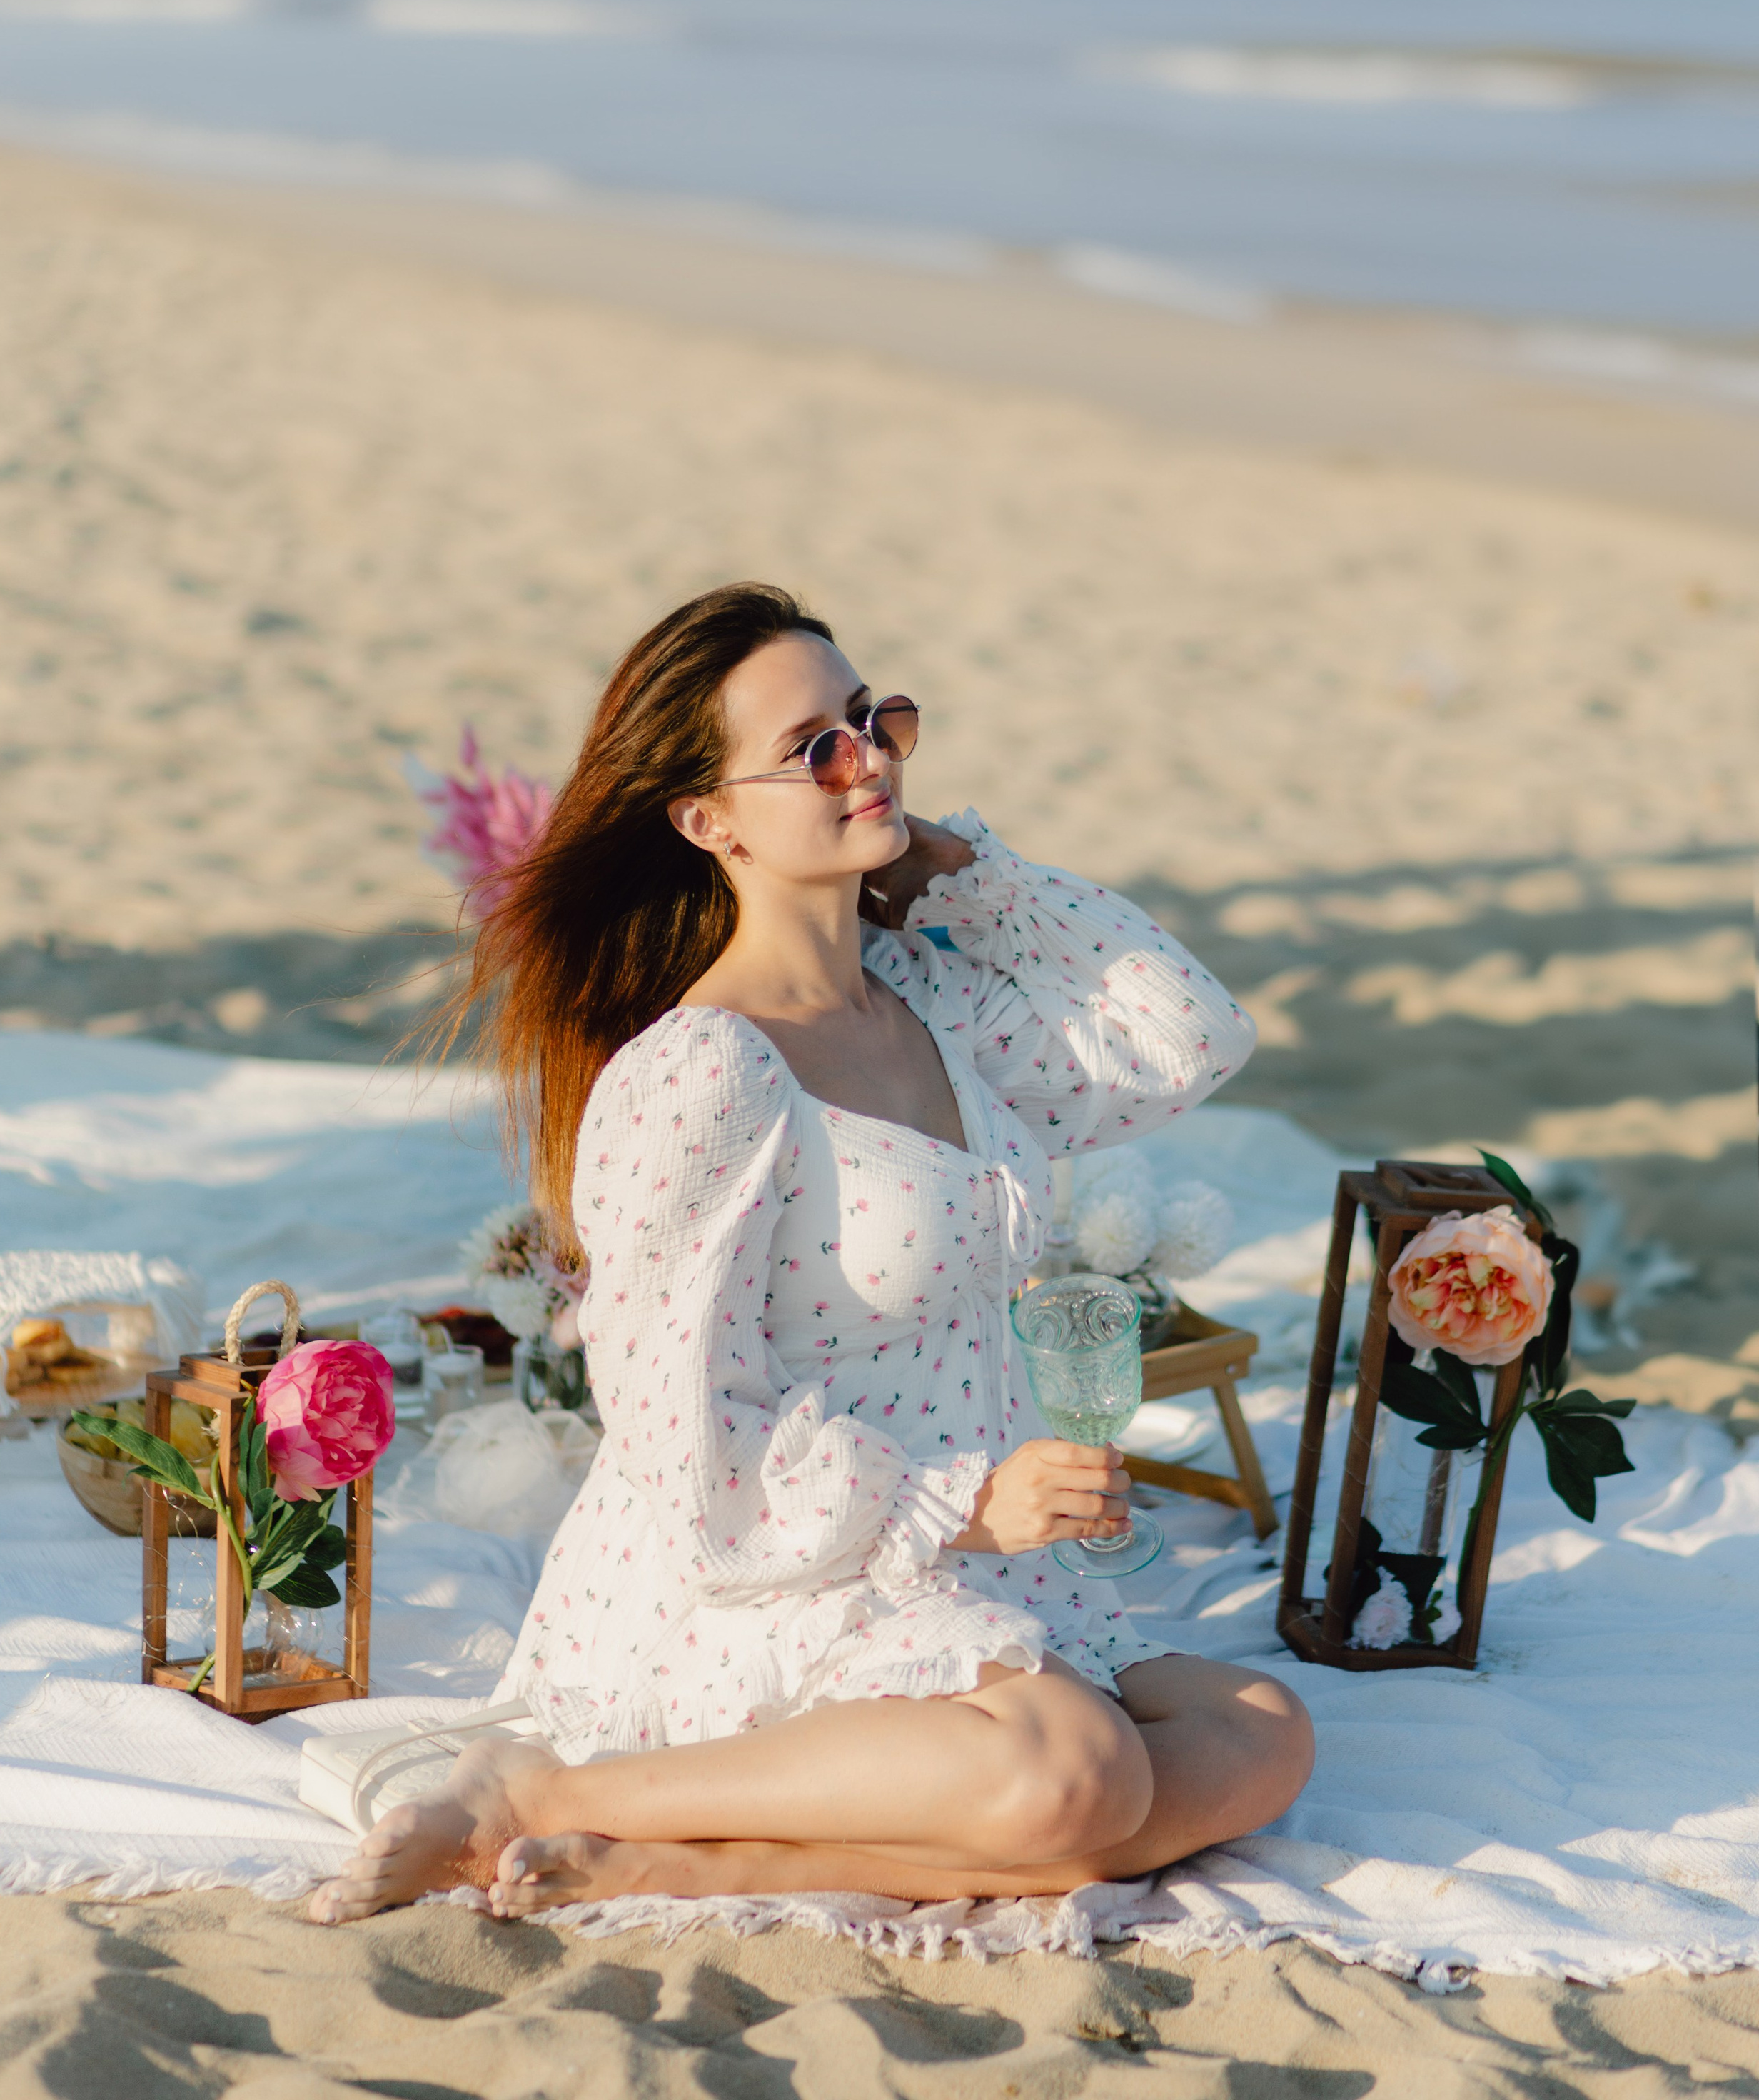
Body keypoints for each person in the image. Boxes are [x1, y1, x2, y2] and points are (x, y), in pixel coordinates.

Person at [311, 583, 1311, 1924]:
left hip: (974, 1567)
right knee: (1086, 1779)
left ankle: (658, 1859)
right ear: (706, 819)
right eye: (817, 748)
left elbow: (1190, 1037)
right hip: (778, 1563)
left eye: (876, 718)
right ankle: (541, 1792)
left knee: (1262, 1735)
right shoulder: (705, 1074)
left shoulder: (943, 1005)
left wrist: (962, 869)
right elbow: (682, 1437)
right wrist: (963, 1504)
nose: (872, 759)